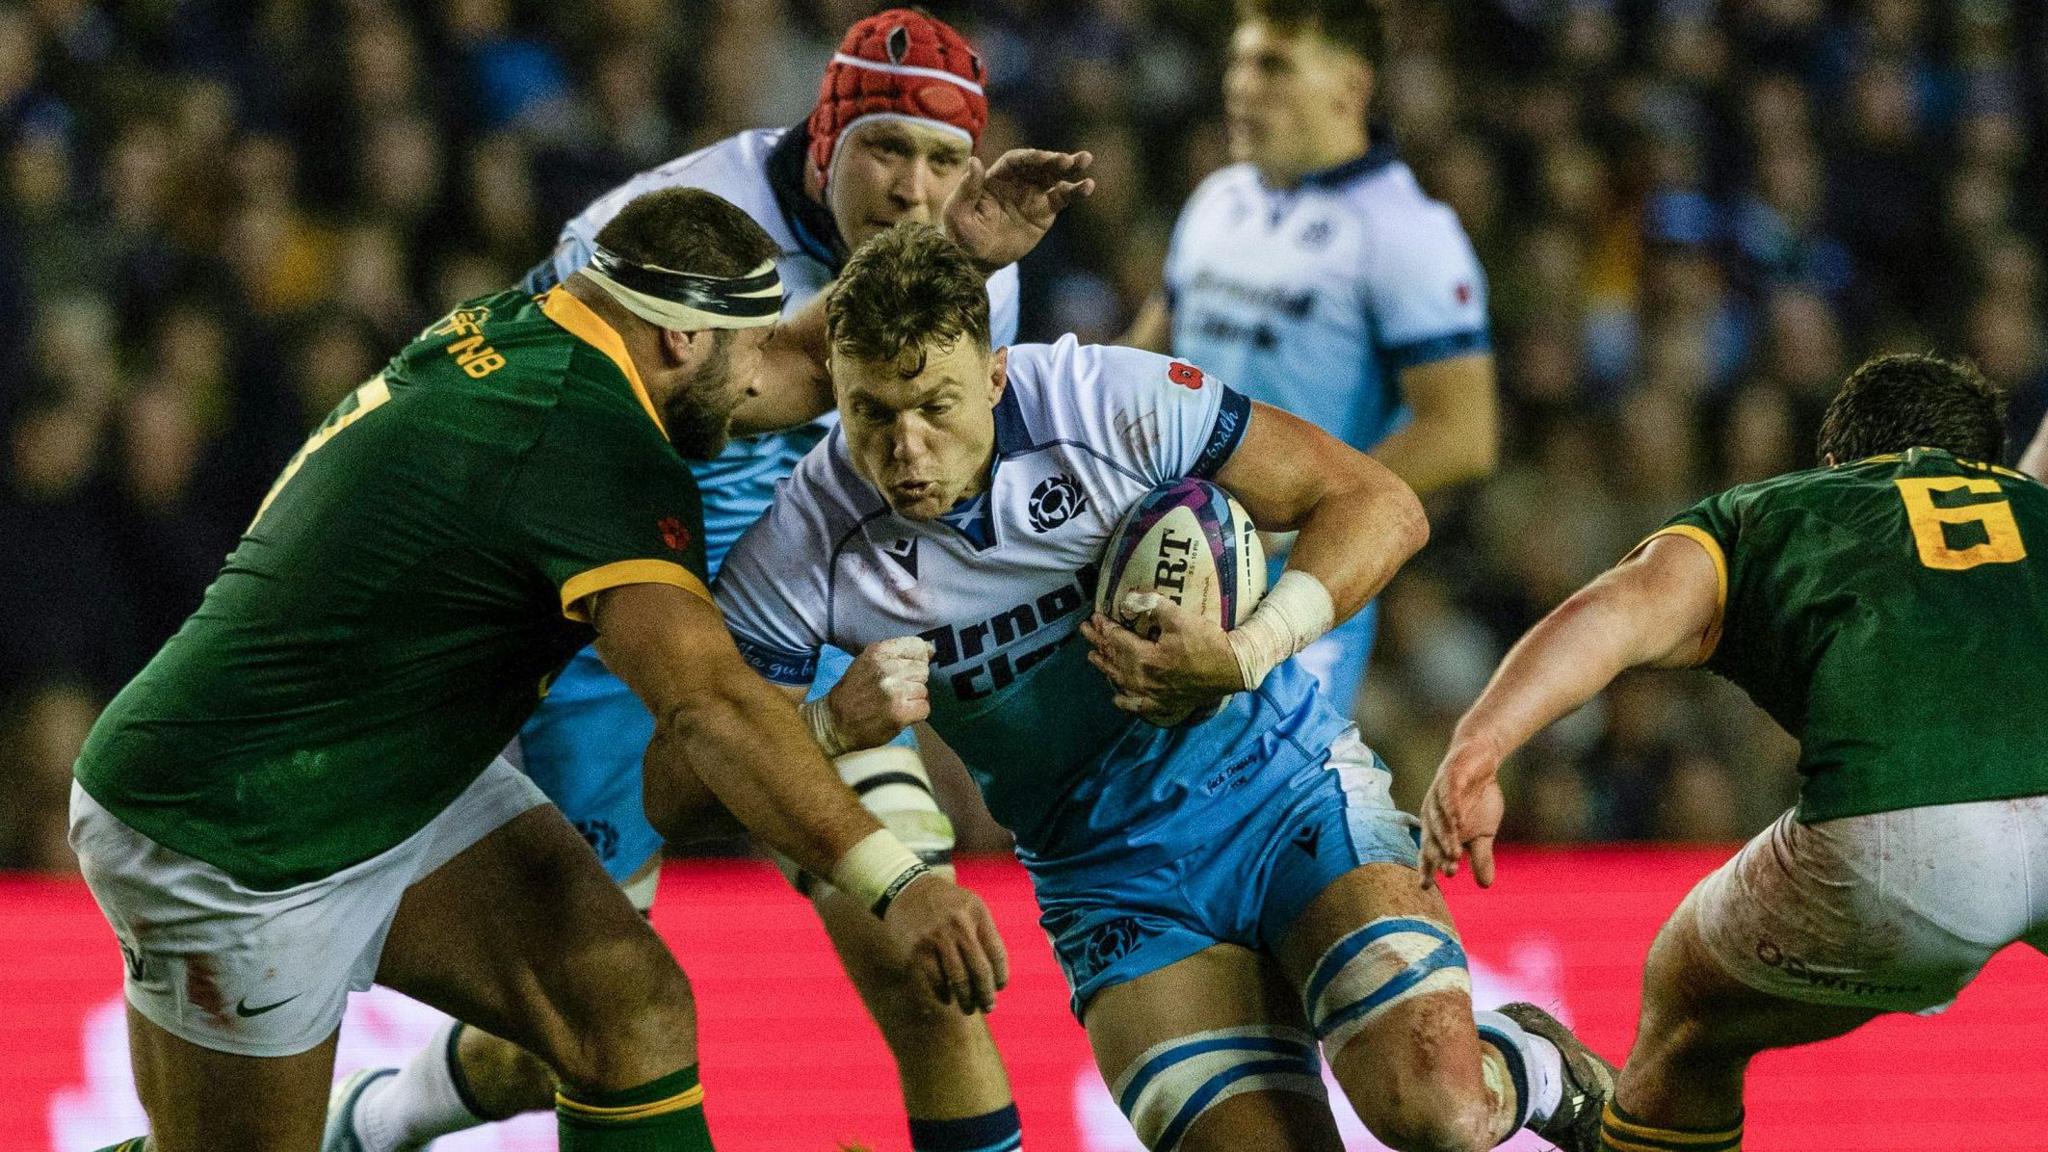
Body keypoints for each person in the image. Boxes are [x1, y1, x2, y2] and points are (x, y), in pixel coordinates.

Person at [71, 188, 1012, 1152]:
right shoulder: (594, 453)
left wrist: (949, 255)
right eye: (746, 350)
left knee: (623, 1006)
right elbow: (708, 707)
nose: (758, 385)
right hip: (235, 822)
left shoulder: (521, 325)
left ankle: (372, 1125)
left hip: (394, 757)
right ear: (683, 342)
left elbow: (800, 359)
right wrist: (900, 883)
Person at [327, 12, 1064, 1152]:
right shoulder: (667, 235)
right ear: (824, 138)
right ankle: (378, 1120)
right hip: (608, 644)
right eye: (884, 148)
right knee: (572, 1031)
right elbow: (574, 442)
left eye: (941, 160)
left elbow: (938, 500)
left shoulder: (977, 274)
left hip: (792, 635)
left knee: (926, 964)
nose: (913, 190)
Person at [715, 222, 1613, 1152]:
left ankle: (1533, 1064)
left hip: (1281, 791)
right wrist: (824, 724)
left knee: (1440, 1114)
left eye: (935, 405)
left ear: (994, 375)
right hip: (1112, 882)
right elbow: (680, 780)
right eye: (872, 415)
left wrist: (1248, 650)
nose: (906, 449)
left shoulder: (1105, 402)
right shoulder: (806, 543)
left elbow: (1377, 503)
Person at [1420, 352, 2048, 1152]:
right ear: (1984, 461)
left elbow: (1622, 607)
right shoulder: (2031, 509)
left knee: (1689, 1011)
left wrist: (1482, 745)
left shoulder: (1785, 508)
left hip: (1903, 842)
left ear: (1835, 459)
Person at [1124, 0, 1497, 717]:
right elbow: (1142, 358)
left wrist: (1310, 514)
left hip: (1298, 595)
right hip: (1164, 559)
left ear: (1349, 87)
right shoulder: (1216, 200)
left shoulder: (1408, 232)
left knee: (1248, 805)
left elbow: (1462, 435)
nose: (1239, 84)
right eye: (1237, 61)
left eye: (1273, 65)